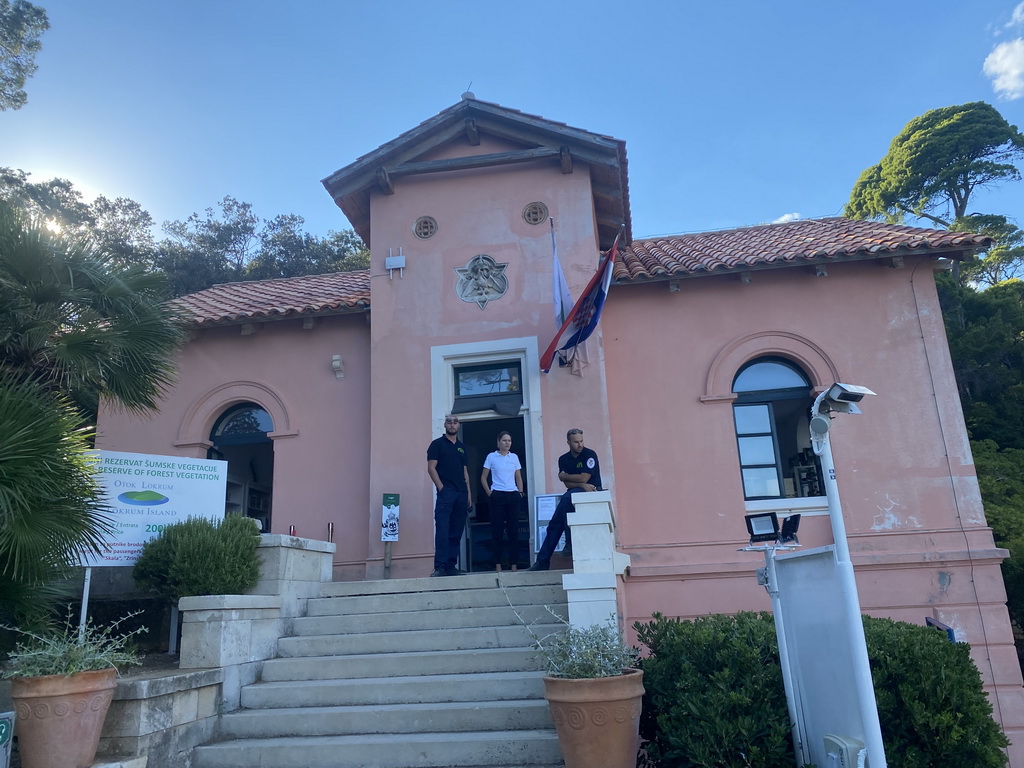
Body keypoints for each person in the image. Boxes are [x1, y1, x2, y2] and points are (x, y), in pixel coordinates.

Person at [529, 428, 602, 571]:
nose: (580, 444)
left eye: (581, 441)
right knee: (554, 525)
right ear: (568, 442)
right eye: (576, 442)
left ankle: (569, 543)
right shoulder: (563, 459)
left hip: (592, 491)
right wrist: (581, 484)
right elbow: (569, 484)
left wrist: (566, 476)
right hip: (574, 493)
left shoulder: (589, 454)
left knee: (567, 498)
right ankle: (542, 562)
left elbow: (584, 477)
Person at [426, 415, 472, 577]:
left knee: (456, 531)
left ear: (459, 425)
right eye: (449, 422)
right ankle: (440, 567)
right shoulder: (437, 445)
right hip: (447, 494)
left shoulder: (461, 447)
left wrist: (469, 494)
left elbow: (465, 472)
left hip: (461, 494)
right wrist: (442, 488)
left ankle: (452, 566)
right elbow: (431, 468)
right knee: (443, 530)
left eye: (455, 422)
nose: (452, 425)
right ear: (444, 425)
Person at [480, 431, 524, 571]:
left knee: (513, 531)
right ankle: (498, 564)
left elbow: (518, 477)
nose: (507, 443)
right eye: (504, 440)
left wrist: (520, 492)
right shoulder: (491, 456)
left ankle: (514, 565)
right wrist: (489, 493)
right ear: (498, 442)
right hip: (497, 495)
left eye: (509, 440)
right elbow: (483, 477)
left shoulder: (514, 457)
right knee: (497, 531)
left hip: (512, 495)